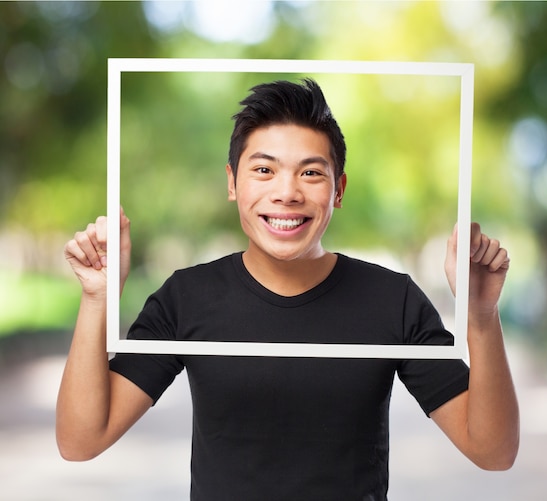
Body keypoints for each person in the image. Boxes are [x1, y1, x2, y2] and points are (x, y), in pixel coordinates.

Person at [57, 79, 519, 500]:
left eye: (311, 173)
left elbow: (493, 452)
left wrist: (481, 316)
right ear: (232, 183)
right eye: (264, 170)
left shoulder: (392, 300)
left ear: (338, 189)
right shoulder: (188, 296)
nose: (287, 193)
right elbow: (81, 441)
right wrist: (97, 298)